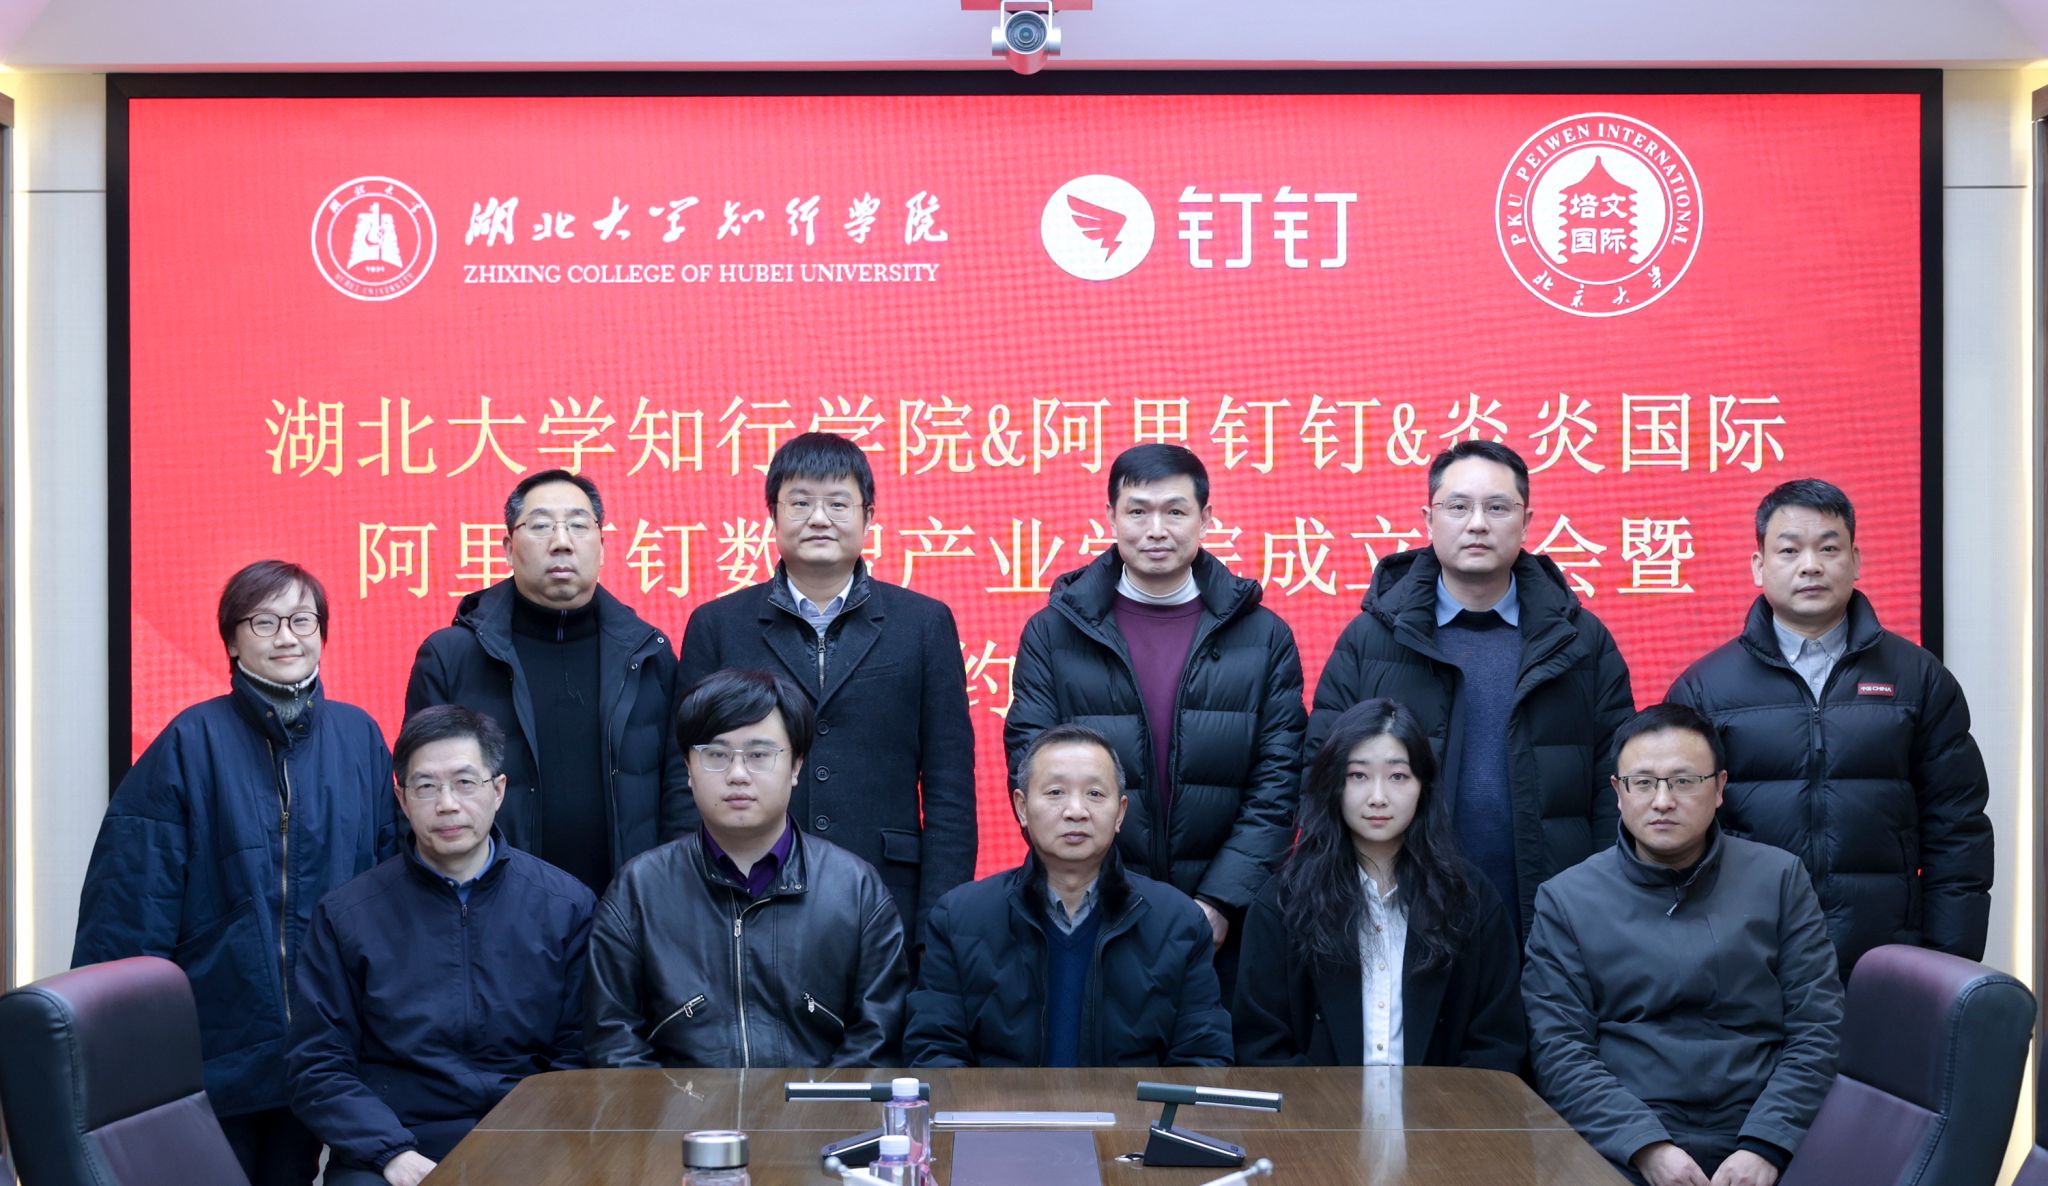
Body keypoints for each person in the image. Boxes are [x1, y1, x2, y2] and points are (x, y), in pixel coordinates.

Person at [74, 561, 396, 1186]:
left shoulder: (359, 736)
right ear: (231, 640)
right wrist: (120, 1045)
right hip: (217, 1040)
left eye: (302, 620)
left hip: (326, 1036)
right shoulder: (190, 741)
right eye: (264, 622)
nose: (287, 636)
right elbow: (132, 902)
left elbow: (387, 885)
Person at [1005, 443, 1306, 993]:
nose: (1156, 530)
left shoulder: (1264, 636)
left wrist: (1220, 901)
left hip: (1230, 923)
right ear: (1111, 517)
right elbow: (1034, 769)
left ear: (1206, 519)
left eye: (1175, 511)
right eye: (1138, 511)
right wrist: (1102, 890)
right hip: (1090, 908)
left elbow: (1279, 780)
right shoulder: (1053, 633)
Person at [1307, 439, 1634, 936]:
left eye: (1498, 508)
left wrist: (1598, 897)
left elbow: (1617, 783)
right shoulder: (1371, 640)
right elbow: (1321, 774)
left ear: (1526, 521)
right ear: (1429, 518)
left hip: (1551, 910)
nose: (1477, 523)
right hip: (1397, 912)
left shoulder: (1581, 642)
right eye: (1458, 507)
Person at [1668, 478, 1993, 976]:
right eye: (1789, 550)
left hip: (1886, 956)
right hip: (1746, 959)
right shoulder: (1705, 689)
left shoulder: (1918, 678)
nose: (1811, 565)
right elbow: (1676, 833)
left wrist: (1946, 963)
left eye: (1828, 548)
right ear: (1758, 566)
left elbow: (1957, 827)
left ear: (1855, 561)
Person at [679, 432, 976, 949]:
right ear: (773, 516)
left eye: (838, 503)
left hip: (887, 896)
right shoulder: (718, 625)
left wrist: (939, 926)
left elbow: (949, 785)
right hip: (742, 893)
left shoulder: (923, 624)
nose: (819, 518)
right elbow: (685, 774)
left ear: (868, 516)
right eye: (800, 503)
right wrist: (691, 902)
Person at [1524, 704, 1842, 1186]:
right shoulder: (1566, 899)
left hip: (1763, 1129)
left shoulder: (1779, 879)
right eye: (1643, 782)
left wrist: (1765, 1144)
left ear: (1719, 788)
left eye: (1684, 781)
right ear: (1617, 792)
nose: (1663, 801)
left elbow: (1816, 1027)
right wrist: (1646, 1147)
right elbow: (1560, 1051)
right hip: (1622, 1140)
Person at [287, 706, 595, 1186]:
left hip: (529, 1135)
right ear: (401, 799)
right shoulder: (347, 916)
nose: (447, 804)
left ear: (498, 790)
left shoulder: (565, 905)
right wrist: (392, 1154)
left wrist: (527, 1146)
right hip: (397, 1142)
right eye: (426, 786)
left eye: (465, 783)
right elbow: (318, 1064)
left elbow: (579, 1055)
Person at [583, 668, 908, 1067]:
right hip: (678, 1108)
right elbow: (614, 1043)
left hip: (817, 1108)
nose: (737, 775)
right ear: (688, 768)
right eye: (716, 755)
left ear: (796, 766)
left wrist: (815, 1106)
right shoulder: (639, 891)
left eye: (759, 755)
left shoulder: (855, 890)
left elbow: (876, 1045)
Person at [405, 468, 688, 895]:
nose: (561, 541)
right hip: (495, 908)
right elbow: (419, 793)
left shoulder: (648, 655)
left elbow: (681, 786)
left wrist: (668, 892)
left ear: (602, 545)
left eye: (578, 525)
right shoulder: (450, 657)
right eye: (540, 526)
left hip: (630, 905)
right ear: (508, 548)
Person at [905, 722, 1232, 1067]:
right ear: (1021, 807)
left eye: (1095, 794)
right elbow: (933, 1052)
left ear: (1120, 812)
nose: (1076, 810)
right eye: (1055, 792)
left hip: (1132, 1105)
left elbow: (1203, 1059)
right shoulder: (960, 918)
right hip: (999, 1106)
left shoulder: (1177, 921)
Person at [1232, 699, 1523, 1070]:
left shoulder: (1469, 899)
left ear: (1424, 786)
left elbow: (1497, 1044)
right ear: (1333, 784)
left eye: (1398, 776)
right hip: (1315, 1107)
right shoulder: (1284, 901)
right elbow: (1261, 1047)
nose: (1378, 797)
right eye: (1358, 776)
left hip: (1445, 1107)